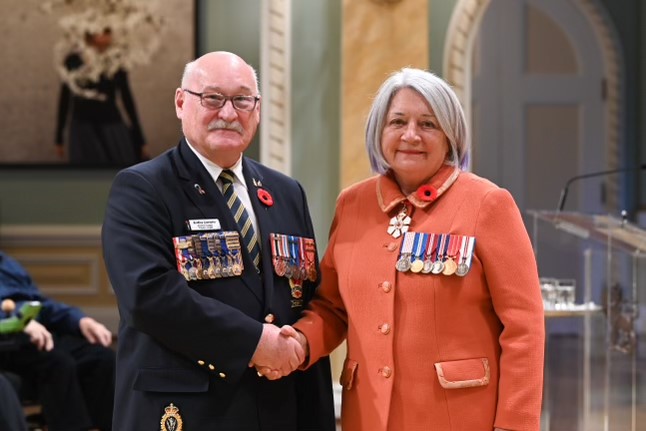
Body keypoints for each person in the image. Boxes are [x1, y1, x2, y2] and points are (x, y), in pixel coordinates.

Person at [283, 68, 545, 431]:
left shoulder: (488, 204)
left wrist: (516, 425)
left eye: (428, 124)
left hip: (461, 418)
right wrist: (298, 343)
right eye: (398, 122)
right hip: (369, 417)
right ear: (380, 131)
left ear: (450, 136)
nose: (411, 135)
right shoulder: (353, 204)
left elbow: (524, 327)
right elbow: (332, 307)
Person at [101, 51, 336, 430]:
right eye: (212, 98)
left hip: (279, 405)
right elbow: (148, 296)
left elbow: (306, 295)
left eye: (242, 100)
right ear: (181, 102)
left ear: (256, 110)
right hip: (189, 409)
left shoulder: (285, 191)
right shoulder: (144, 187)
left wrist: (301, 345)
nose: (228, 112)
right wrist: (255, 342)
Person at [0, 251, 115, 431]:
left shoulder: (7, 264)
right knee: (57, 362)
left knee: (101, 358)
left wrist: (79, 320)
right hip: (8, 340)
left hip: (37, 333)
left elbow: (41, 305)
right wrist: (19, 319)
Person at [54, 28, 148, 166]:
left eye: (108, 32)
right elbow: (65, 98)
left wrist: (141, 140)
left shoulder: (116, 61)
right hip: (83, 128)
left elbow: (127, 98)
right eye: (101, 32)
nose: (105, 37)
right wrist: (59, 138)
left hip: (111, 125)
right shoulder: (73, 61)